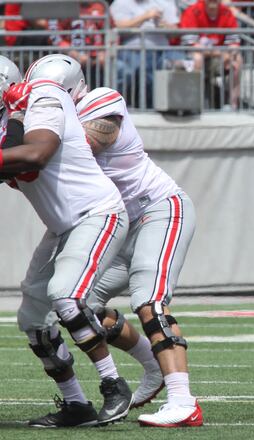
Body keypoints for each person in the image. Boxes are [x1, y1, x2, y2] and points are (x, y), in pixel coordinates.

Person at [26, 53, 202, 427]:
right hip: (110, 223)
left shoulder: (100, 101)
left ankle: (184, 401)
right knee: (77, 306)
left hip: (155, 209)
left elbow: (80, 143)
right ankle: (150, 362)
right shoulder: (46, 115)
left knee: (148, 300)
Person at [0, 58, 132, 427]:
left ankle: (113, 385)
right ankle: (76, 404)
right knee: (32, 319)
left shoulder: (41, 96)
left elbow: (36, 153)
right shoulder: (10, 116)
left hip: (96, 213)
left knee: (65, 295)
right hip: (63, 227)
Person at [179, 0, 242, 109]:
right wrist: (221, 53)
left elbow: (234, 42)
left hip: (218, 58)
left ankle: (232, 105)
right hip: (193, 57)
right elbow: (191, 45)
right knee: (197, 58)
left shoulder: (226, 12)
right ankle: (194, 105)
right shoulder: (193, 11)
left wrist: (230, 54)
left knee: (237, 60)